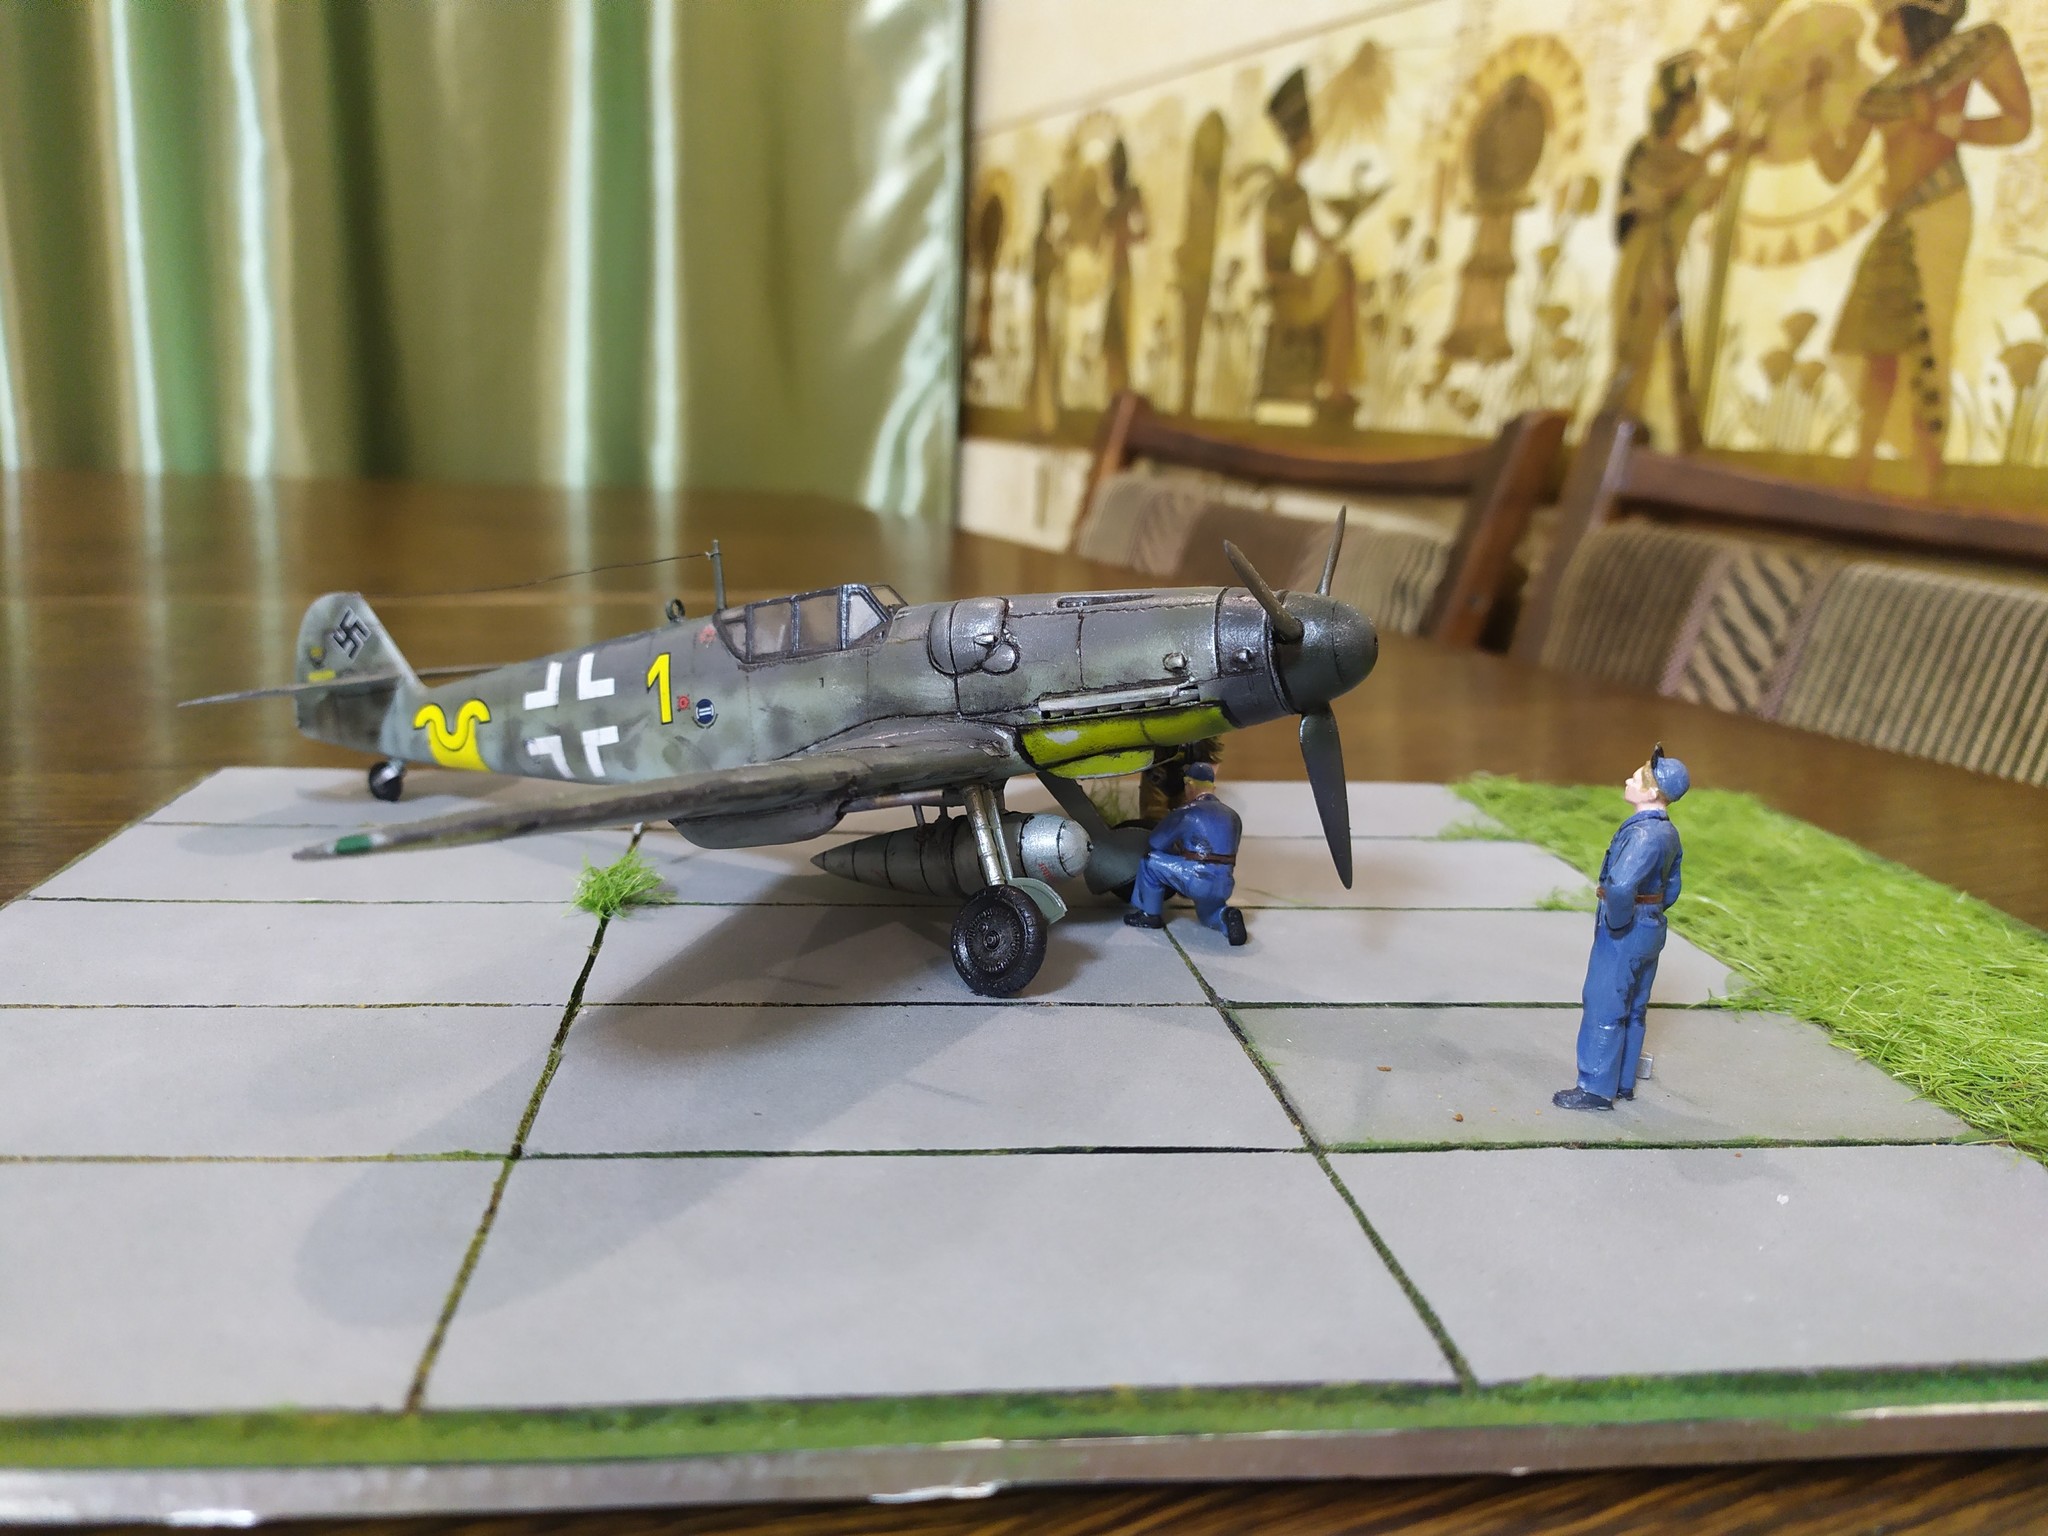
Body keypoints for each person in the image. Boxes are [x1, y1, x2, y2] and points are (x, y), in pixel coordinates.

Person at [1803, 0, 2032, 493]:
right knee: (1876, 342)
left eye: (1886, 20)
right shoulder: (1883, 92)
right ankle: (1861, 469)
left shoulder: (1965, 54)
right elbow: (1837, 167)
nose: (1878, 36)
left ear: (1913, 17)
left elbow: (2018, 122)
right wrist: (1812, 107)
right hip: (1899, 219)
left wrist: (1947, 126)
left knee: (1927, 339)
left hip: (1940, 210)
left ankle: (1926, 475)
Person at [1604, 52, 1744, 452]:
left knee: (1664, 353)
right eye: (1689, 108)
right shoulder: (1644, 152)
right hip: (1641, 262)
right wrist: (1711, 151)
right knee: (1633, 349)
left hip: (1667, 267)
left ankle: (1647, 441)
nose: (1693, 118)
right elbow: (1658, 196)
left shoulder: (1688, 161)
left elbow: (1703, 198)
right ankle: (1616, 434)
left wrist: (1740, 156)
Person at [1554, 746, 1689, 1112]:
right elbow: (1673, 886)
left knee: (1605, 1004)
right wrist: (1652, 911)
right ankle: (1624, 1082)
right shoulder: (1669, 833)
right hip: (1651, 924)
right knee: (1634, 1006)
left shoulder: (1643, 834)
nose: (1629, 779)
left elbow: (1621, 885)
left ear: (1652, 792)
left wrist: (1617, 922)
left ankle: (1596, 1088)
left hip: (1626, 928)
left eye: (1637, 777)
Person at [1123, 761, 1248, 945]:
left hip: (1195, 878)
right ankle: (1227, 915)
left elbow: (1156, 842)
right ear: (1213, 787)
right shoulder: (1233, 816)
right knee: (1208, 915)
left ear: (1189, 785)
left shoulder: (1187, 812)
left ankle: (1149, 915)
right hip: (1224, 884)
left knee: (1150, 862)